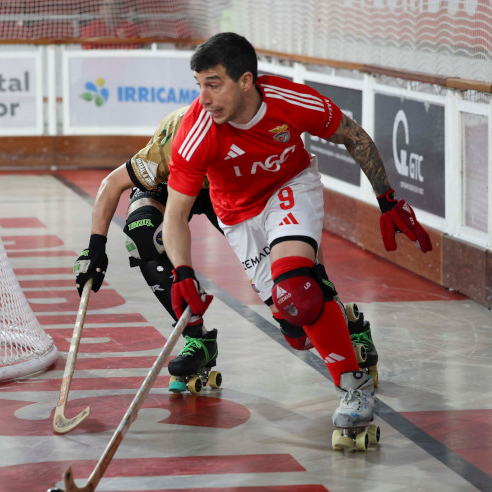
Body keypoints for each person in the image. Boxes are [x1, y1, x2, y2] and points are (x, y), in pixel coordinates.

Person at [163, 33, 431, 444]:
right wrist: (182, 270)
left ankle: (354, 387)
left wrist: (387, 199)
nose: (205, 97)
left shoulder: (290, 101)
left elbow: (352, 136)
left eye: (214, 83)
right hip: (238, 217)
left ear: (247, 81)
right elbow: (175, 216)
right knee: (299, 330)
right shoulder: (196, 130)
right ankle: (350, 324)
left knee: (297, 290)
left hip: (290, 187)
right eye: (199, 84)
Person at [73, 106, 379, 394]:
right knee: (142, 234)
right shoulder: (172, 140)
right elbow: (113, 183)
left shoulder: (250, 139)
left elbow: (296, 222)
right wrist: (94, 249)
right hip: (176, 183)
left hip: (229, 187)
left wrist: (318, 278)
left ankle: (347, 322)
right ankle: (197, 339)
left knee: (295, 306)